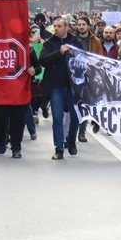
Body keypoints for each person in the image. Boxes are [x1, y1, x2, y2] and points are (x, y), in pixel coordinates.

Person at [39, 17, 81, 160]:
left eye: (59, 26)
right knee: (57, 118)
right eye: (55, 26)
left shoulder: (75, 42)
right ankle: (59, 148)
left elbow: (83, 61)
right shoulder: (50, 43)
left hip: (72, 87)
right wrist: (59, 52)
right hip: (56, 86)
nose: (56, 29)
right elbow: (43, 60)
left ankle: (71, 139)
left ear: (67, 28)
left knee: (75, 117)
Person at [0, 42, 40, 159]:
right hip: (2, 90)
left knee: (18, 119)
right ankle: (2, 138)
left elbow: (38, 67)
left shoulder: (28, 49)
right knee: (0, 116)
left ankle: (16, 146)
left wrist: (34, 70)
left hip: (20, 89)